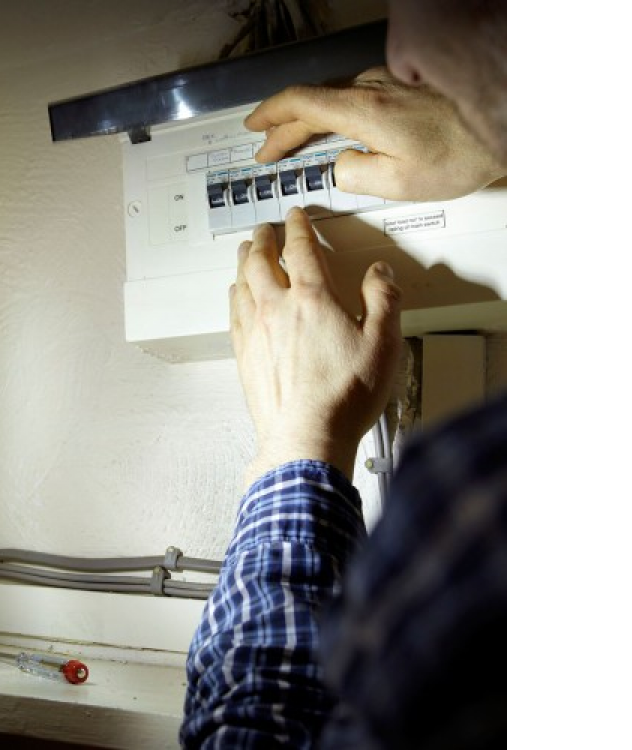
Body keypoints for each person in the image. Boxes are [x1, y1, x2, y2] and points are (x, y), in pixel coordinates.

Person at [180, 1, 506, 748]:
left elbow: (264, 729)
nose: (402, 49)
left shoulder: (475, 491)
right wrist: (500, 128)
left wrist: (300, 448)